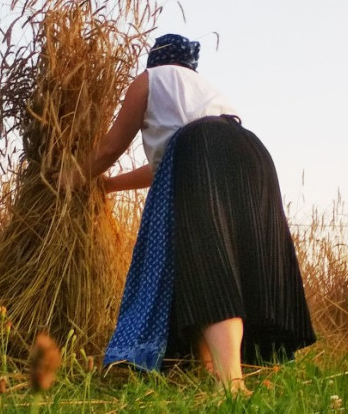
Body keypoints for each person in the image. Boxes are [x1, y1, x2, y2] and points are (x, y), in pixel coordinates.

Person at [57, 34, 316, 393]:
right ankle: (215, 372)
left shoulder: (151, 79)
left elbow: (111, 146)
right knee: (241, 260)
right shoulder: (205, 91)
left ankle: (231, 384)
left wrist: (67, 179)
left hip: (202, 153)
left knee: (207, 263)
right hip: (252, 153)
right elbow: (168, 164)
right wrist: (108, 186)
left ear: (156, 58)